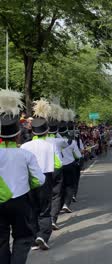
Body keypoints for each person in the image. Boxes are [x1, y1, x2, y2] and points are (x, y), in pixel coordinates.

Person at [0, 89, 46, 264]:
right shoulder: (25, 154)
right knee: (24, 237)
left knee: (1, 240)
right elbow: (39, 180)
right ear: (18, 134)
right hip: (21, 201)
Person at [20, 99, 59, 251]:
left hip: (29, 180)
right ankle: (43, 235)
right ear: (46, 131)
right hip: (46, 178)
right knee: (45, 209)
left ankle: (33, 238)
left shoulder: (24, 146)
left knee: (32, 209)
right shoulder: (51, 145)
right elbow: (58, 165)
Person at [59, 114, 82, 214]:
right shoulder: (72, 141)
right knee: (70, 185)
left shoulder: (52, 141)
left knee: (59, 186)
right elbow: (78, 156)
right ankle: (66, 204)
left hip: (57, 166)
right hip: (69, 165)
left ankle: (58, 205)